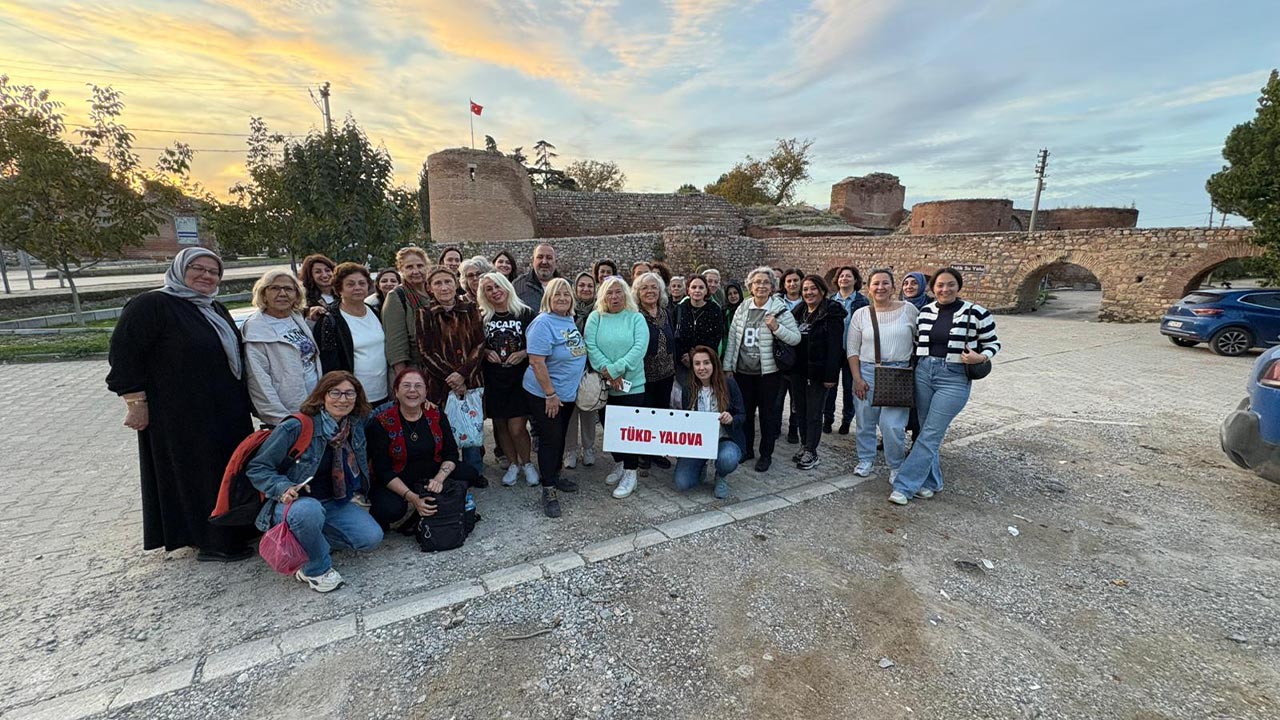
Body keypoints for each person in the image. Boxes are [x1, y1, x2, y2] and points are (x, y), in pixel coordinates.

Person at [107, 247, 255, 561]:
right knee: (197, 472)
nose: (206, 276)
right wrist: (135, 401)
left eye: (213, 272)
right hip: (180, 413)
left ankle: (233, 527)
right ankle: (210, 540)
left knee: (228, 468)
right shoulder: (152, 305)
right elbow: (124, 354)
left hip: (224, 409)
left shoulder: (213, 307)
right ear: (179, 269)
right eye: (198, 268)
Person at [247, 371, 383, 593]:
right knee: (308, 513)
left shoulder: (353, 425)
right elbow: (258, 467)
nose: (343, 399)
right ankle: (315, 569)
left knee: (370, 538)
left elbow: (383, 413)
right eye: (335, 393)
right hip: (293, 504)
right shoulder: (296, 427)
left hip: (332, 502)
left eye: (350, 393)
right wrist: (283, 487)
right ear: (322, 396)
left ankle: (308, 541)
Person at [890, 268, 1000, 505]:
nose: (945, 289)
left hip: (954, 377)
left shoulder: (976, 312)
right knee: (925, 430)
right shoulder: (926, 311)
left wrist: (981, 357)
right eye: (940, 285)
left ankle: (904, 486)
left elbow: (993, 343)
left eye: (950, 284)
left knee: (931, 432)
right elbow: (918, 341)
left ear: (958, 286)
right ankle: (932, 482)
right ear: (933, 288)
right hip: (924, 372)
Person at [367, 367, 479, 532]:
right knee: (390, 509)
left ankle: (437, 498)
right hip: (398, 475)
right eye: (406, 386)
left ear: (426, 392)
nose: (412, 390)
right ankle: (415, 505)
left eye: (418, 386)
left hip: (431, 470)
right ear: (396, 392)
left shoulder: (436, 414)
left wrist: (439, 479)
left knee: (470, 473)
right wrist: (412, 498)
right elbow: (382, 470)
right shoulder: (381, 422)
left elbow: (451, 453)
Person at [723, 266, 801, 472]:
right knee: (746, 414)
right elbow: (733, 338)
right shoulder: (743, 307)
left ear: (772, 287)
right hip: (743, 372)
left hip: (768, 374)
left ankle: (766, 454)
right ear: (750, 286)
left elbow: (795, 338)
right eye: (757, 282)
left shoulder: (779, 309)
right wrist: (728, 366)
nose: (761, 286)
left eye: (766, 282)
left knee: (768, 416)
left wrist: (777, 327)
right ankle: (747, 449)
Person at [524, 277, 589, 517]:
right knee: (550, 440)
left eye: (566, 294)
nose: (562, 298)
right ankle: (548, 489)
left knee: (559, 437)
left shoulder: (568, 320)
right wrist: (550, 394)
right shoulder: (542, 323)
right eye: (557, 294)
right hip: (546, 394)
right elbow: (536, 362)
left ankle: (556, 474)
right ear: (548, 298)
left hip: (566, 394)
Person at [847, 269, 919, 481]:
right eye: (876, 283)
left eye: (885, 283)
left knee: (892, 425)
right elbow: (852, 349)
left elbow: (921, 340)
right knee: (865, 420)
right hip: (867, 371)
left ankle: (896, 465)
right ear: (869, 288)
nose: (880, 287)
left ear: (893, 287)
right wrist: (857, 378)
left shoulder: (909, 310)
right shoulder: (861, 314)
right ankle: (865, 459)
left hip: (898, 373)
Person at [418, 266, 486, 477]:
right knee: (443, 429)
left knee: (471, 426)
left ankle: (474, 472)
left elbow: (479, 343)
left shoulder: (470, 309)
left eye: (448, 281)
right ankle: (447, 474)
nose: (444, 287)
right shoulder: (425, 313)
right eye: (438, 283)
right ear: (430, 288)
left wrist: (463, 374)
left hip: (471, 379)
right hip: (440, 384)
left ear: (456, 284)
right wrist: (452, 378)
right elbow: (425, 351)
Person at [584, 276, 649, 499]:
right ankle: (620, 462)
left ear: (625, 294)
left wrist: (617, 369)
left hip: (632, 386)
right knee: (610, 428)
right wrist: (608, 371)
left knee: (629, 430)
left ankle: (631, 472)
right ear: (603, 296)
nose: (614, 297)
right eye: (609, 292)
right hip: (605, 385)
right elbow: (591, 346)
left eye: (618, 292)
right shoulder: (596, 317)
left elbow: (639, 347)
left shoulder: (636, 318)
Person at [476, 271, 538, 487]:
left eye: (497, 286)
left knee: (517, 427)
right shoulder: (483, 317)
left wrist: (523, 353)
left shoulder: (525, 313)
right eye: (489, 289)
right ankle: (513, 464)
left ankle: (527, 463)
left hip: (519, 379)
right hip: (494, 379)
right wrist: (485, 352)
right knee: (500, 424)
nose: (495, 292)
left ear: (506, 286)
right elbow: (476, 345)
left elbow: (539, 344)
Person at [242, 269, 322, 426]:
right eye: (275, 288)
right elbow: (259, 382)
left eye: (288, 289)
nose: (282, 293)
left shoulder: (295, 318)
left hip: (315, 405)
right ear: (263, 294)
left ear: (296, 294)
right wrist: (282, 419)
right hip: (289, 414)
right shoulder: (255, 329)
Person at [789, 274, 846, 470]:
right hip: (798, 371)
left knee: (814, 413)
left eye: (813, 288)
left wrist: (831, 376)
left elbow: (835, 347)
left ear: (822, 290)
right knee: (800, 411)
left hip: (819, 373)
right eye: (805, 289)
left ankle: (811, 451)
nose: (809, 293)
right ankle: (804, 444)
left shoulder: (831, 313)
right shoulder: (799, 311)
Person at [675, 346, 745, 499]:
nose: (702, 368)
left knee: (728, 458)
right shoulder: (688, 388)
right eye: (697, 364)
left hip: (723, 439)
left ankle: (721, 475)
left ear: (714, 364)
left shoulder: (729, 384)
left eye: (706, 363)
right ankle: (701, 465)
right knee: (682, 483)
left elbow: (742, 415)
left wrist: (731, 419)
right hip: (698, 442)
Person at [314, 262, 389, 405]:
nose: (357, 288)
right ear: (339, 289)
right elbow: (330, 366)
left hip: (382, 393)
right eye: (350, 284)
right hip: (352, 399)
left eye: (362, 283)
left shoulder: (374, 311)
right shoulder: (330, 320)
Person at [634, 271, 677, 474]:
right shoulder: (635, 315)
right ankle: (643, 453)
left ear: (660, 291)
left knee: (661, 412)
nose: (650, 291)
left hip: (666, 374)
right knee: (645, 413)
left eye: (654, 287)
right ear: (637, 292)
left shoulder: (666, 313)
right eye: (645, 288)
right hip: (644, 375)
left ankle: (657, 451)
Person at [825, 265, 867, 435]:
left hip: (853, 351)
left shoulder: (862, 302)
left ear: (855, 280)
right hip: (834, 350)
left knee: (850, 387)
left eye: (848, 276)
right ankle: (828, 418)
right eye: (842, 276)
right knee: (830, 386)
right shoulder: (830, 301)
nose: (844, 279)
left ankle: (847, 420)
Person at [565, 271, 599, 469]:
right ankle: (570, 449)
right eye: (582, 285)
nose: (586, 289)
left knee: (589, 409)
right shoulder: (567, 311)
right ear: (575, 289)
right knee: (570, 413)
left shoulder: (599, 311)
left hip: (590, 369)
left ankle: (588, 448)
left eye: (589, 286)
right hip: (570, 370)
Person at [383, 247, 431, 374]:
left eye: (420, 266)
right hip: (414, 369)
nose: (416, 271)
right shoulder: (397, 296)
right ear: (401, 270)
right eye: (409, 267)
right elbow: (396, 346)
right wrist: (404, 377)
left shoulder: (433, 291)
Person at [674, 273, 724, 390]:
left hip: (706, 362)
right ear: (688, 290)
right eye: (694, 287)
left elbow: (716, 336)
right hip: (684, 363)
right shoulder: (680, 309)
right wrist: (684, 356)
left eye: (701, 287)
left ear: (706, 291)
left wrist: (696, 357)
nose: (697, 290)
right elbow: (674, 335)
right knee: (687, 394)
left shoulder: (714, 309)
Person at [775, 268, 806, 443]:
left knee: (797, 398)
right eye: (789, 281)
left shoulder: (808, 301)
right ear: (784, 284)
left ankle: (794, 428)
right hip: (781, 355)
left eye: (795, 280)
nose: (792, 284)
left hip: (800, 357)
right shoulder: (776, 302)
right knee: (777, 397)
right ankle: (776, 426)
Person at [513, 242, 561, 309]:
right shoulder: (518, 286)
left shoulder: (568, 286)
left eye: (549, 258)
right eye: (540, 257)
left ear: (556, 261)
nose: (544, 262)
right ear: (533, 260)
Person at [299, 254, 336, 323]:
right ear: (310, 276)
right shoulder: (304, 302)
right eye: (318, 272)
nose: (324, 275)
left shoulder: (344, 295)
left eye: (327, 270)